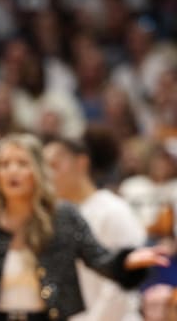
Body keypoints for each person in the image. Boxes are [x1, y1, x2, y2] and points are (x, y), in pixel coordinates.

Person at [0, 133, 170, 321]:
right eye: (4, 164)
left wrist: (126, 262)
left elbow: (100, 260)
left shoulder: (63, 216)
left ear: (38, 171)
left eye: (22, 163)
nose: (12, 170)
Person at [43, 136, 146, 321]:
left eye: (55, 164)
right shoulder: (53, 217)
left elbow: (121, 286)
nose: (48, 174)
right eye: (44, 168)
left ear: (81, 163)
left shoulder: (114, 210)